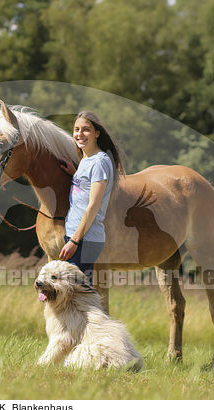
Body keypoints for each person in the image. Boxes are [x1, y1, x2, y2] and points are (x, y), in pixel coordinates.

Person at [59, 111, 125, 285]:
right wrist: (74, 174)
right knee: (76, 294)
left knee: (78, 294)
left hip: (84, 240)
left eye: (86, 130)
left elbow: (93, 206)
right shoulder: (86, 160)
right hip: (76, 235)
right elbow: (87, 186)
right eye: (76, 129)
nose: (79, 134)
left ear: (97, 133)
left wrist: (74, 241)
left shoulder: (99, 161)